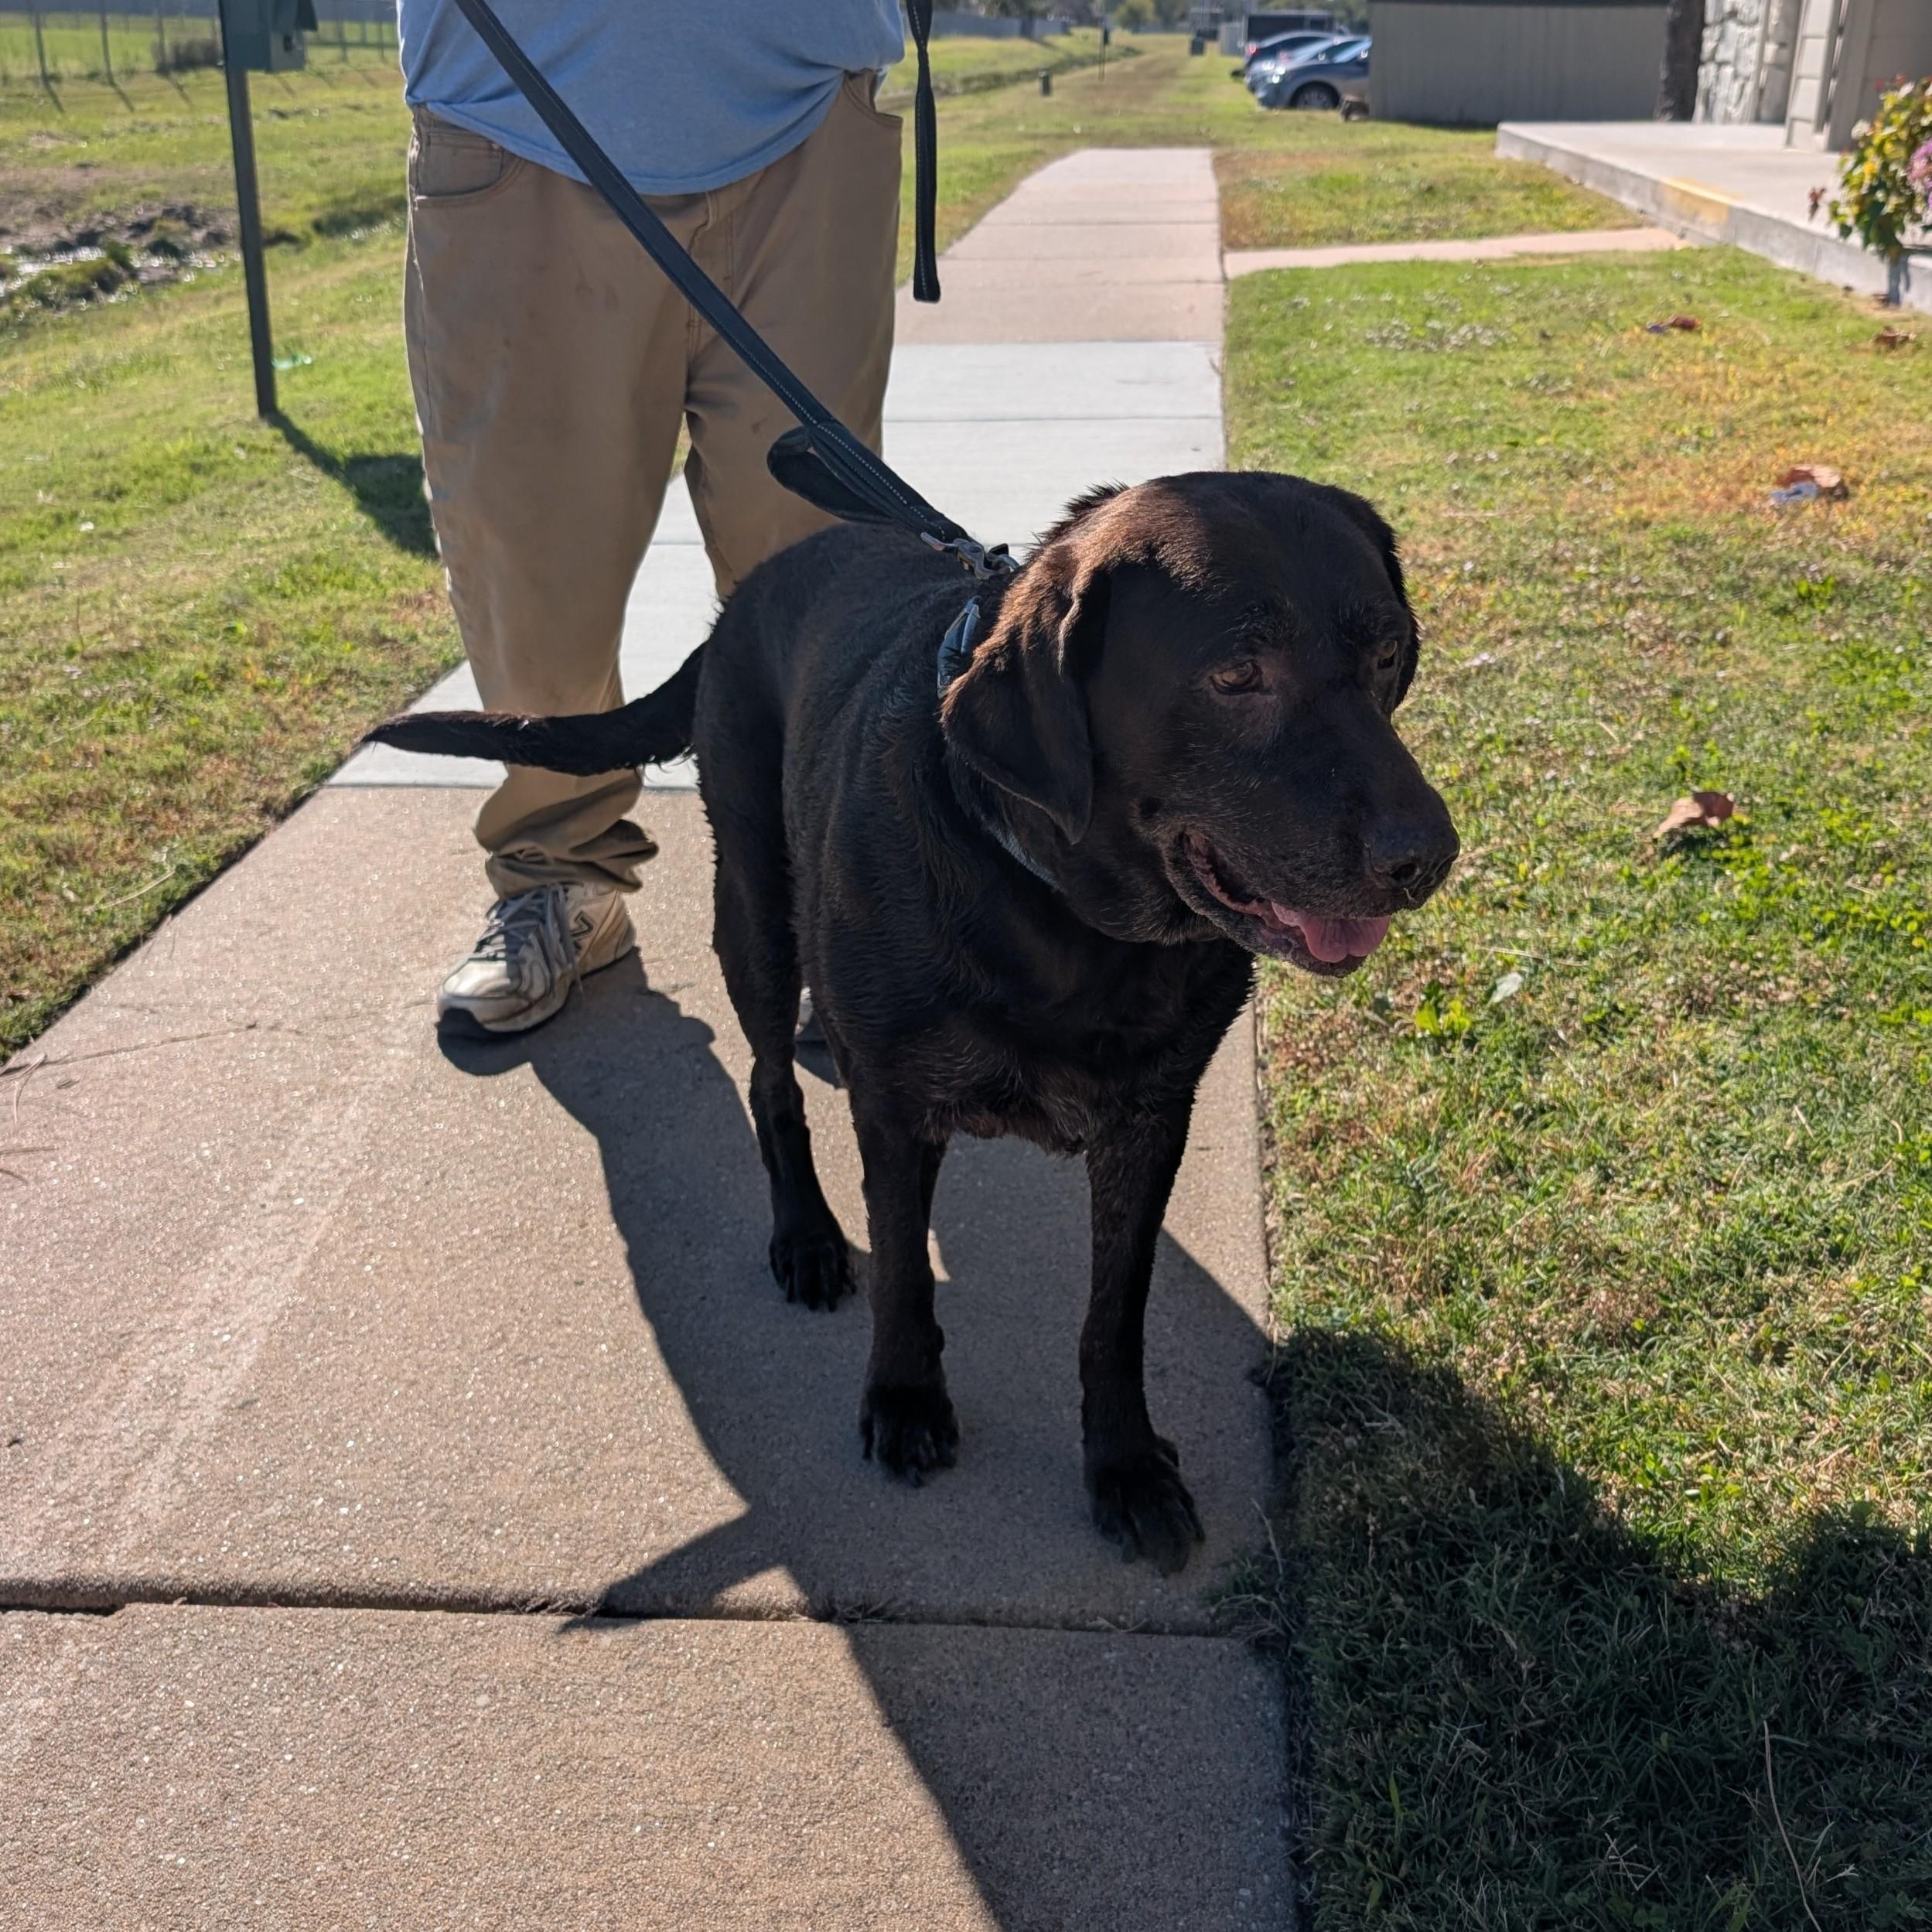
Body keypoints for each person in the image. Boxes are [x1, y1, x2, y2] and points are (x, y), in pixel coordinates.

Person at [395, 1, 906, 1036]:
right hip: (515, 115)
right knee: (531, 571)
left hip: (805, 111)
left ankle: (825, 899)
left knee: (812, 566)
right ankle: (559, 872)